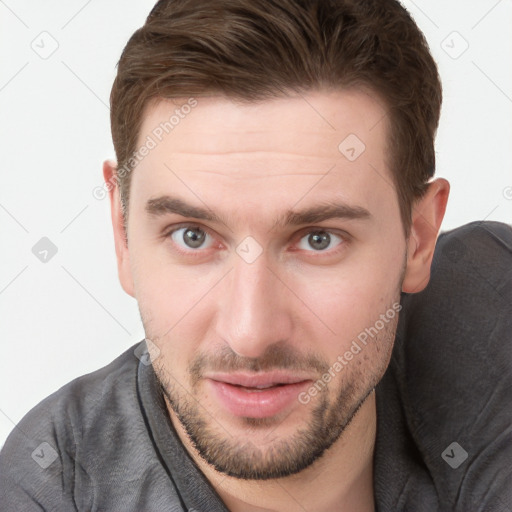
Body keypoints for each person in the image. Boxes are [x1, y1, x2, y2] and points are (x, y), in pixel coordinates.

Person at [1, 0, 511, 510]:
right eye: (192, 236)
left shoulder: (488, 312)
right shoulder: (47, 490)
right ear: (123, 232)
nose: (250, 335)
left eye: (319, 239)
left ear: (418, 239)